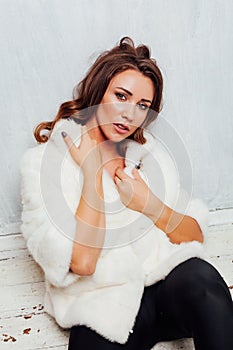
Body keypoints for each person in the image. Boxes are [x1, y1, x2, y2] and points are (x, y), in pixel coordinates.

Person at [20, 37, 233, 350]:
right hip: (103, 306)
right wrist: (92, 175)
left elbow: (193, 234)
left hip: (166, 288)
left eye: (142, 106)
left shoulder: (150, 158)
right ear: (97, 92)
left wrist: (150, 205)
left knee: (203, 280)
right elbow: (82, 263)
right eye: (121, 96)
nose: (130, 114)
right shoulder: (42, 165)